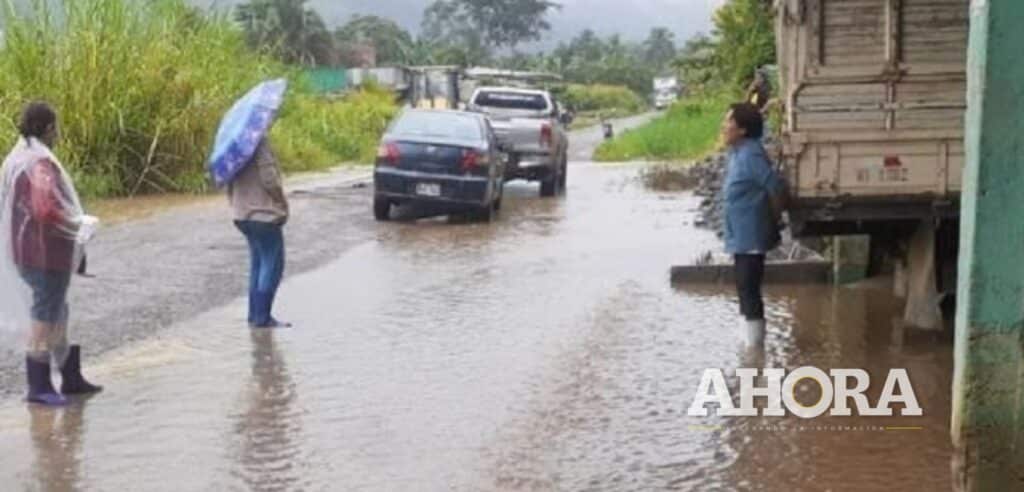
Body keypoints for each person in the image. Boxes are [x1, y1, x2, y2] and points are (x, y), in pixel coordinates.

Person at [0, 101, 102, 405]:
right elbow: (45, 208)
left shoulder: (17, 157)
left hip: (24, 249)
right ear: (47, 128)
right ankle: (39, 385)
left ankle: (70, 378)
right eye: (54, 127)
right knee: (45, 313)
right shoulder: (39, 164)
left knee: (57, 310)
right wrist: (77, 222)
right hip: (44, 253)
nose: (57, 133)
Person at [720, 102, 785, 348]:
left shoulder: (750, 155)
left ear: (743, 130)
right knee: (743, 287)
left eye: (729, 122)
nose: (724, 127)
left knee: (748, 288)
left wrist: (773, 218)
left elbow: (775, 186)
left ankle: (755, 351)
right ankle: (748, 344)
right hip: (740, 235)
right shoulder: (738, 152)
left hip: (752, 235)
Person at [229, 138, 290, 328]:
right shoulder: (259, 143)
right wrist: (281, 202)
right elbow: (270, 178)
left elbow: (227, 179)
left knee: (257, 263)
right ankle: (262, 317)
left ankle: (254, 315)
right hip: (263, 214)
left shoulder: (234, 145)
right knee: (272, 263)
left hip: (242, 214)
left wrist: (235, 202)